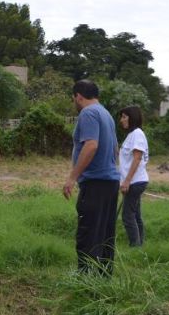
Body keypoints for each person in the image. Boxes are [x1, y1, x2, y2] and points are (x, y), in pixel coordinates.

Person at [63, 80, 120, 275]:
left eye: (74, 98)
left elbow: (91, 145)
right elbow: (115, 148)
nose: (74, 101)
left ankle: (86, 279)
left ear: (78, 96)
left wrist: (72, 177)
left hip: (95, 182)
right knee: (105, 233)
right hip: (111, 181)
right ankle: (104, 277)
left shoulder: (87, 113)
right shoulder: (106, 114)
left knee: (88, 233)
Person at [117, 106, 149, 247]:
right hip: (134, 181)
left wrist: (127, 181)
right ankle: (139, 244)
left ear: (132, 117)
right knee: (135, 215)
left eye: (124, 116)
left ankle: (135, 246)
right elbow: (127, 158)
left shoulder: (137, 134)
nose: (121, 120)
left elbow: (137, 158)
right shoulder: (131, 135)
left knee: (127, 216)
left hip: (135, 182)